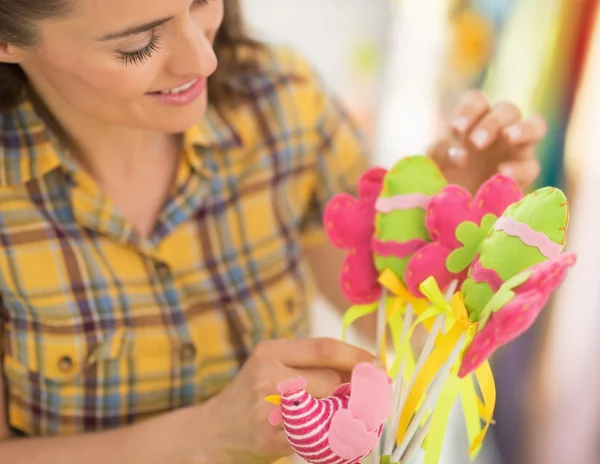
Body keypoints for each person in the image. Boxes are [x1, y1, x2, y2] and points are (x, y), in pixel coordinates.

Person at [0, 0, 547, 462]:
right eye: (138, 45)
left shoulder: (283, 102)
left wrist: (445, 233)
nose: (203, 58)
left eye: (201, 1)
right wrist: (209, 433)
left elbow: (407, 332)